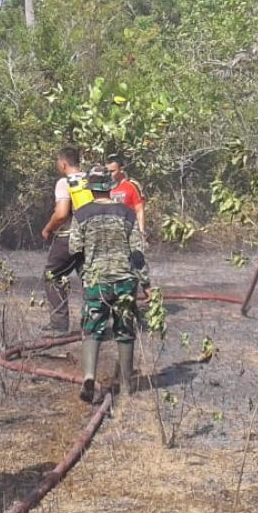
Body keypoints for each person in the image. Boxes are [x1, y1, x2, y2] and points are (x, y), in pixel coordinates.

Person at [69, 166, 150, 405]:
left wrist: (85, 275)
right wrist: (146, 283)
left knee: (92, 328)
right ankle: (126, 387)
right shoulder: (127, 213)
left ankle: (89, 376)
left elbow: (75, 250)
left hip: (96, 281)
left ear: (91, 188)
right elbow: (137, 252)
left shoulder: (81, 214)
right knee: (125, 330)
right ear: (110, 187)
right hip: (124, 280)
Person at [40, 147, 92, 336]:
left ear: (63, 164)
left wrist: (47, 229)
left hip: (69, 236)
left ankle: (59, 324)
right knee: (87, 276)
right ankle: (92, 323)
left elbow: (62, 214)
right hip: (90, 237)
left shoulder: (65, 182)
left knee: (52, 275)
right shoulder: (90, 179)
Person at [106, 153, 146, 237]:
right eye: (108, 171)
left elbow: (139, 210)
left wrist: (141, 232)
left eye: (113, 171)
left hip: (130, 230)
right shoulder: (107, 187)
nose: (110, 174)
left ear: (121, 169)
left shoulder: (132, 185)